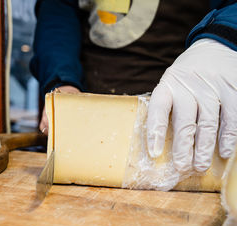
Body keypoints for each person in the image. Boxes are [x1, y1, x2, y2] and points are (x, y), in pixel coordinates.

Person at [30, 0, 237, 174]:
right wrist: (62, 79)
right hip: (90, 115)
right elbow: (59, 10)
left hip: (188, 108)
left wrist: (224, 37)